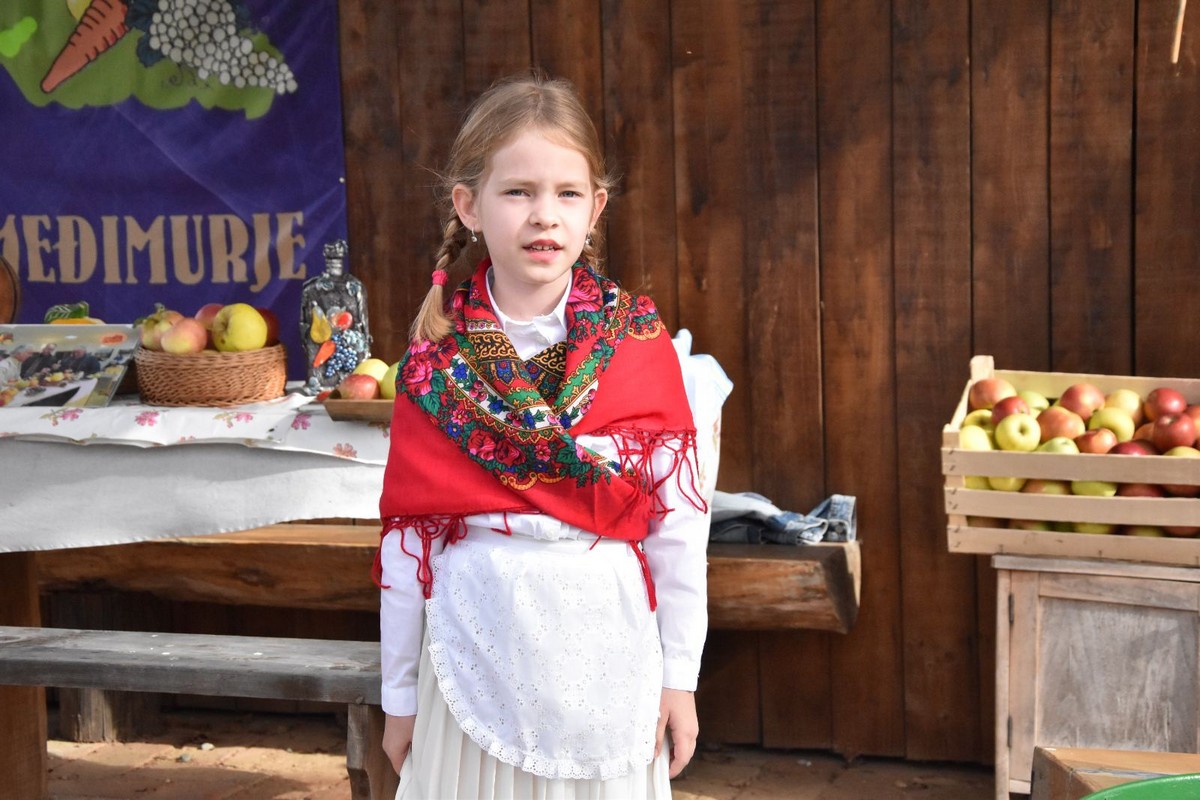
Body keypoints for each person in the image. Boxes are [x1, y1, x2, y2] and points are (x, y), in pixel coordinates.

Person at [376, 73, 712, 799]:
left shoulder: (636, 345)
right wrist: (399, 696)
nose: (543, 216)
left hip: (608, 651)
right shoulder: (437, 367)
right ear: (468, 206)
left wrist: (679, 678)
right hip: (474, 647)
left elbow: (679, 529)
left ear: (596, 209)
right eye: (518, 191)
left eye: (566, 193)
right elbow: (408, 549)